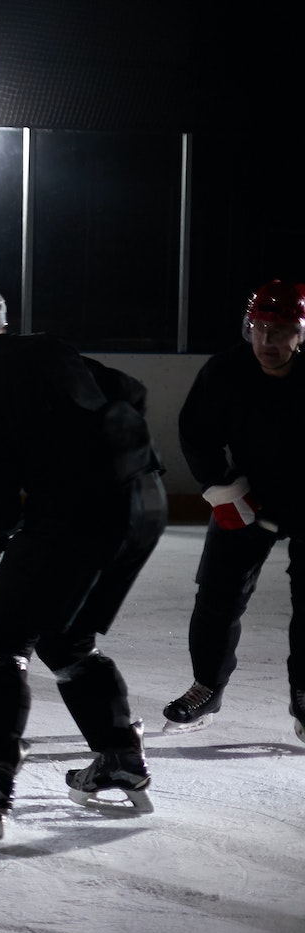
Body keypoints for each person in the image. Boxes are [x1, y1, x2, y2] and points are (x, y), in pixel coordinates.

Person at [0, 278, 167, 839]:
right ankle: (121, 756)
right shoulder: (52, 350)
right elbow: (132, 394)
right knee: (65, 639)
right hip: (145, 503)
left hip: (76, 517)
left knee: (2, 642)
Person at [163, 279, 305, 742]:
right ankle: (208, 686)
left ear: (301, 332)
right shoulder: (226, 372)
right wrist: (222, 489)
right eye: (259, 327)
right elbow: (197, 432)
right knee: (217, 596)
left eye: (280, 329)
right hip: (250, 496)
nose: (267, 340)